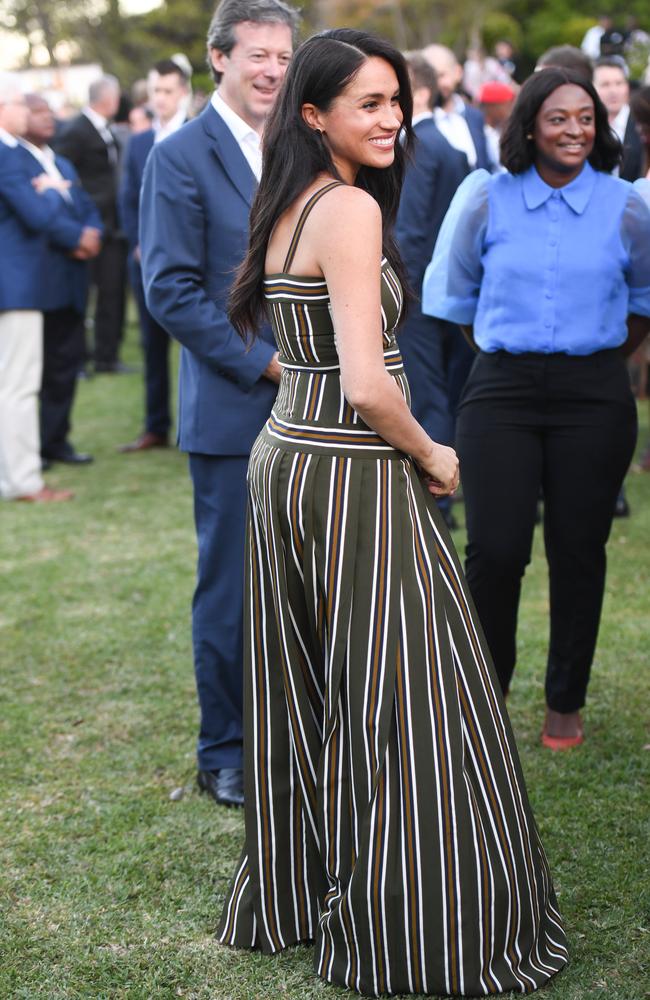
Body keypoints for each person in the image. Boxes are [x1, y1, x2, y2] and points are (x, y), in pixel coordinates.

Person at [217, 28, 568, 997]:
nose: (389, 118)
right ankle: (413, 921)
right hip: (350, 472)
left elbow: (301, 355)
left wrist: (316, 415)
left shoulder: (285, 201)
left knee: (311, 689)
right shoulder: (347, 210)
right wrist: (432, 450)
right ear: (313, 114)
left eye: (394, 101)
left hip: (285, 460)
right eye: (366, 103)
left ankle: (299, 890)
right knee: (405, 695)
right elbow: (368, 387)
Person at [424, 68, 650, 750]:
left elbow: (642, 303)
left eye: (586, 117)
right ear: (527, 126)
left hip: (594, 396)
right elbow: (459, 298)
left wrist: (595, 358)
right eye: (558, 118)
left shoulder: (628, 207)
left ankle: (565, 700)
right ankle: (485, 696)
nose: (575, 129)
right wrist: (514, 350)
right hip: (502, 392)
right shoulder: (485, 198)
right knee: (495, 550)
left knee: (578, 549)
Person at [139, 0, 299, 809]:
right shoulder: (179, 156)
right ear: (218, 59)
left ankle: (299, 737)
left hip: (320, 413)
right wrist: (267, 364)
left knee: (307, 587)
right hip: (237, 411)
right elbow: (170, 290)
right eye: (257, 55)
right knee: (233, 592)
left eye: (282, 55)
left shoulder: (302, 146)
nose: (271, 68)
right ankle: (225, 750)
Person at [394, 53, 469, 529]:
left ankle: (437, 502)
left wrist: (398, 292)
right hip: (442, 291)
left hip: (419, 293)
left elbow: (412, 231)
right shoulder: (445, 143)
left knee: (427, 393)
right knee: (437, 389)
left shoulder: (420, 146)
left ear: (416, 93)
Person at [0, 78, 75, 502]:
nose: (25, 113)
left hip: (14, 283)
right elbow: (37, 216)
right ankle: (24, 482)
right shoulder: (8, 154)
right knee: (19, 385)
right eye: (16, 104)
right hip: (17, 285)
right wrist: (50, 192)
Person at [18, 93, 102, 467]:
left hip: (73, 278)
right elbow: (40, 216)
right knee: (35, 371)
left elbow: (85, 207)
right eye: (37, 112)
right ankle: (29, 446)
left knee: (66, 365)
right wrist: (76, 239)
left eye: (50, 111)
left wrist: (93, 234)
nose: (48, 118)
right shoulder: (16, 162)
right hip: (41, 281)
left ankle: (56, 441)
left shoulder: (63, 164)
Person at [119, 58, 191, 453]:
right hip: (145, 261)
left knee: (196, 345)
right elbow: (128, 200)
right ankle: (155, 425)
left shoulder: (196, 135)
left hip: (190, 261)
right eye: (154, 92)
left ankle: (192, 426)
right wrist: (139, 243)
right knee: (152, 347)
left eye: (165, 91)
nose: (158, 99)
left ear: (181, 92)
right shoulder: (139, 143)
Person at [54, 76, 128, 373]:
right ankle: (79, 359)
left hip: (112, 226)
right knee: (83, 295)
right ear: (108, 99)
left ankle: (106, 357)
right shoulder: (76, 130)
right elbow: (64, 177)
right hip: (88, 226)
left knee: (112, 293)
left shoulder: (107, 130)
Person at [422, 44, 492, 171]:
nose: (436, 84)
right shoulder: (418, 124)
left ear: (458, 73)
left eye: (441, 75)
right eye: (429, 78)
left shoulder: (475, 117)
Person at [594, 56, 644, 180]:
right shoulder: (590, 126)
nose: (613, 91)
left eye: (619, 83)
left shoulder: (642, 124)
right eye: (605, 85)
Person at [477, 80, 516, 172]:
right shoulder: (481, 134)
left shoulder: (500, 130)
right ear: (492, 106)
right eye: (507, 103)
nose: (511, 108)